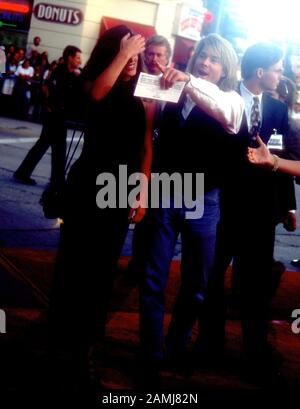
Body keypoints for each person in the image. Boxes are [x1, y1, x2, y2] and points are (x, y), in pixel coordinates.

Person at [47, 25, 153, 401]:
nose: (134, 62)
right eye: (128, 53)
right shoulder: (97, 81)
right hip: (87, 186)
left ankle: (85, 349)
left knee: (102, 272)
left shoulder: (144, 94)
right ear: (114, 52)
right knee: (73, 265)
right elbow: (96, 93)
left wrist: (141, 194)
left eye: (138, 56)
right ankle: (59, 339)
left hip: (119, 193)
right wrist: (123, 53)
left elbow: (145, 149)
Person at [138, 33, 244, 386]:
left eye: (214, 59)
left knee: (196, 284)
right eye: (202, 55)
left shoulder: (231, 98)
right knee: (153, 278)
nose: (204, 62)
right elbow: (146, 124)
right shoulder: (174, 88)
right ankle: (151, 354)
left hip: (204, 199)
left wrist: (190, 81)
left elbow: (225, 113)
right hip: (165, 193)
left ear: (225, 67)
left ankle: (177, 347)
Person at [206, 42, 296, 385]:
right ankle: (209, 346)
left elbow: (279, 157)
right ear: (260, 72)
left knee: (255, 286)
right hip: (221, 206)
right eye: (277, 68)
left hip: (261, 212)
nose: (281, 74)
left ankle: (254, 353)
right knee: (211, 278)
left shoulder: (276, 109)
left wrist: (287, 205)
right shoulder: (222, 99)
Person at [13, 45, 82, 187]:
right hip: (54, 115)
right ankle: (55, 181)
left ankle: (26, 173)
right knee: (57, 148)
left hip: (59, 115)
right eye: (78, 58)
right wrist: (50, 106)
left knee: (47, 146)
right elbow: (48, 89)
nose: (80, 61)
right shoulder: (59, 72)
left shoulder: (70, 74)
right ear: (70, 57)